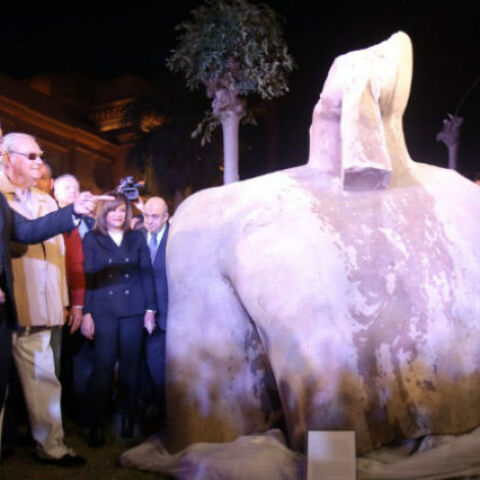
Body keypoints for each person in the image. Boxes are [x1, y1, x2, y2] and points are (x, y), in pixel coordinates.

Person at [0, 132, 100, 467]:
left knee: (45, 380)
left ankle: (52, 445)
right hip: (9, 308)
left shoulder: (47, 202)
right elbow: (23, 235)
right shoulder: (1, 196)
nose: (39, 162)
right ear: (7, 157)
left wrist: (68, 301)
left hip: (41, 310)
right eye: (31, 156)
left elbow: (58, 252)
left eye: (41, 155)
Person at [81, 192, 156, 447]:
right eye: (113, 209)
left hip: (133, 308)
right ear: (103, 212)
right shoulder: (92, 238)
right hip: (104, 310)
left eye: (122, 210)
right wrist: (87, 312)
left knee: (130, 368)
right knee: (102, 367)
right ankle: (95, 424)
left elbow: (146, 274)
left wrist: (150, 309)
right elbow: (88, 278)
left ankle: (128, 421)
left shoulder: (136, 237)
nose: (118, 214)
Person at [142, 196, 169, 423]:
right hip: (141, 313)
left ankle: (163, 411)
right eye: (146, 216)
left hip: (169, 314)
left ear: (166, 217)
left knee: (161, 365)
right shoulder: (138, 237)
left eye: (155, 216)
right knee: (148, 364)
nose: (149, 221)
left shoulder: (175, 239)